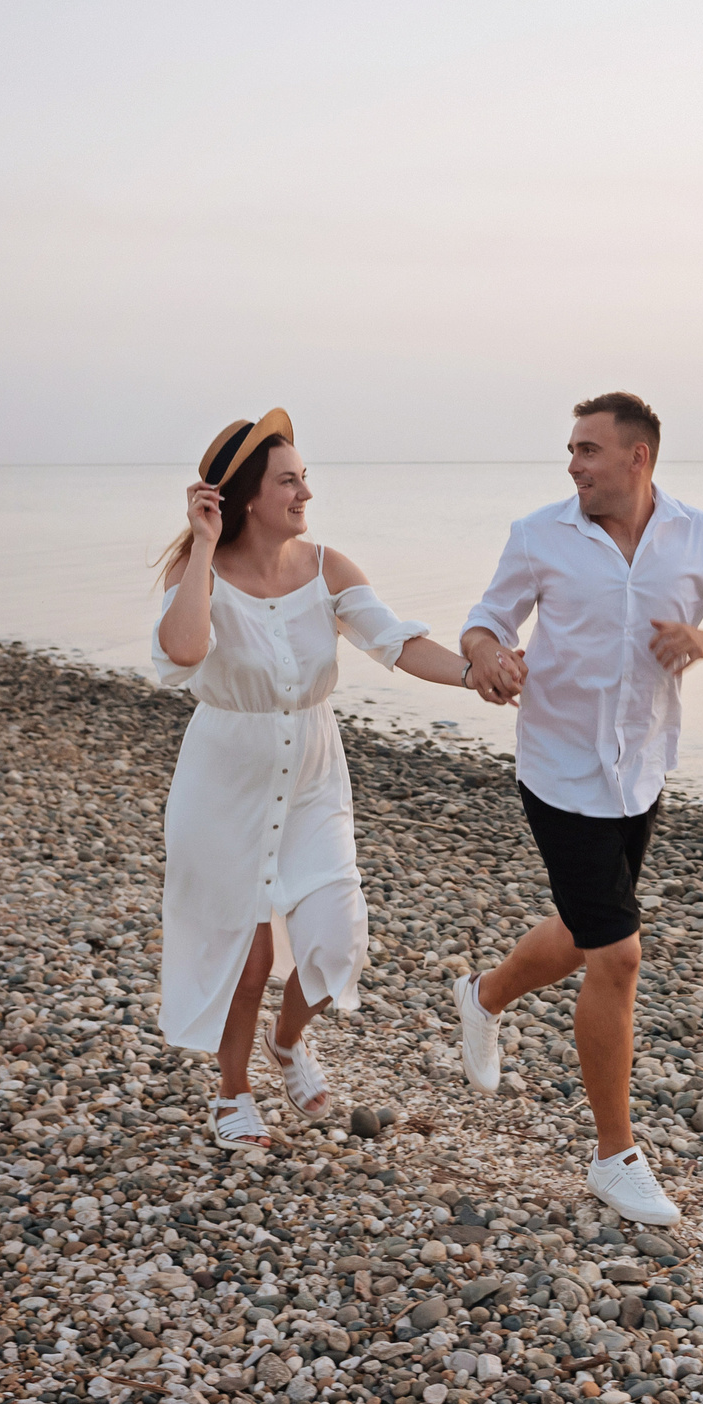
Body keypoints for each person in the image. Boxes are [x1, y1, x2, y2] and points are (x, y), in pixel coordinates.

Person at [451, 392, 703, 1225]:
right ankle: (615, 1155)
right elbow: (483, 622)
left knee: (581, 930)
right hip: (558, 769)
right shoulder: (540, 534)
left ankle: (483, 996)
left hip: (640, 770)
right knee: (619, 954)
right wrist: (491, 657)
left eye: (588, 450)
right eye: (571, 450)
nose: (573, 465)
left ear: (637, 458)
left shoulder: (698, 538)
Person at [153, 408, 482, 1153]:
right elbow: (180, 652)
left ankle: (288, 1039)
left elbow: (397, 642)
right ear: (245, 497)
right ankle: (232, 1092)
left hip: (311, 774)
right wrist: (204, 546)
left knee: (339, 937)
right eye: (289, 481)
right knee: (249, 953)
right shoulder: (196, 571)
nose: (305, 493)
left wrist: (473, 675)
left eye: (305, 478)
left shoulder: (328, 566)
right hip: (222, 781)